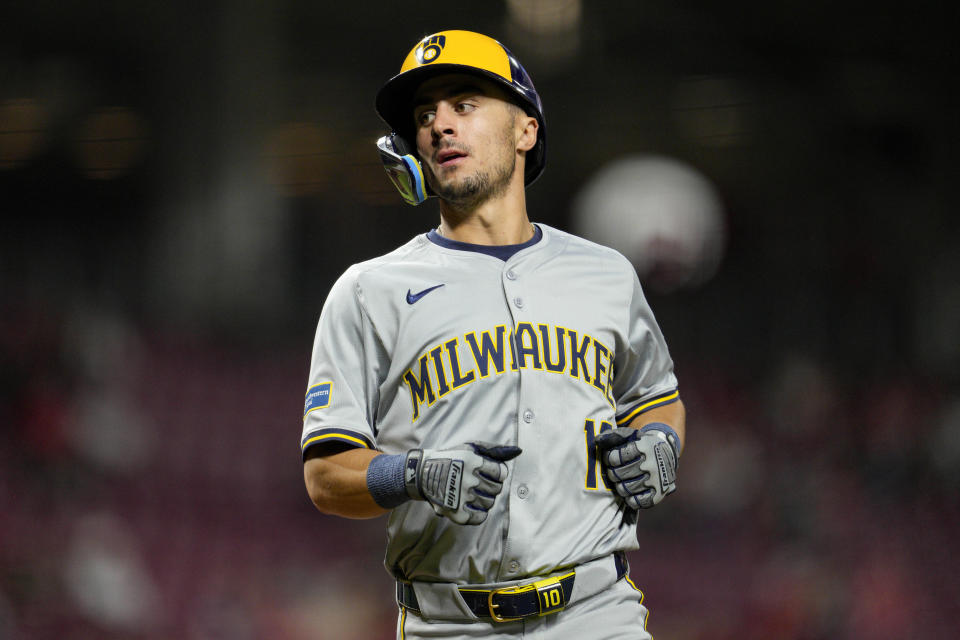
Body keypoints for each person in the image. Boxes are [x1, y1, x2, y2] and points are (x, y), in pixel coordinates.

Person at [301, 30, 686, 639]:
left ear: (525, 130)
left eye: (464, 104)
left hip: (596, 612)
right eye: (424, 115)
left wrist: (661, 442)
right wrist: (412, 474)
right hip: (447, 622)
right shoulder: (367, 290)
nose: (439, 126)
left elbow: (655, 397)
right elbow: (325, 477)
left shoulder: (605, 273)